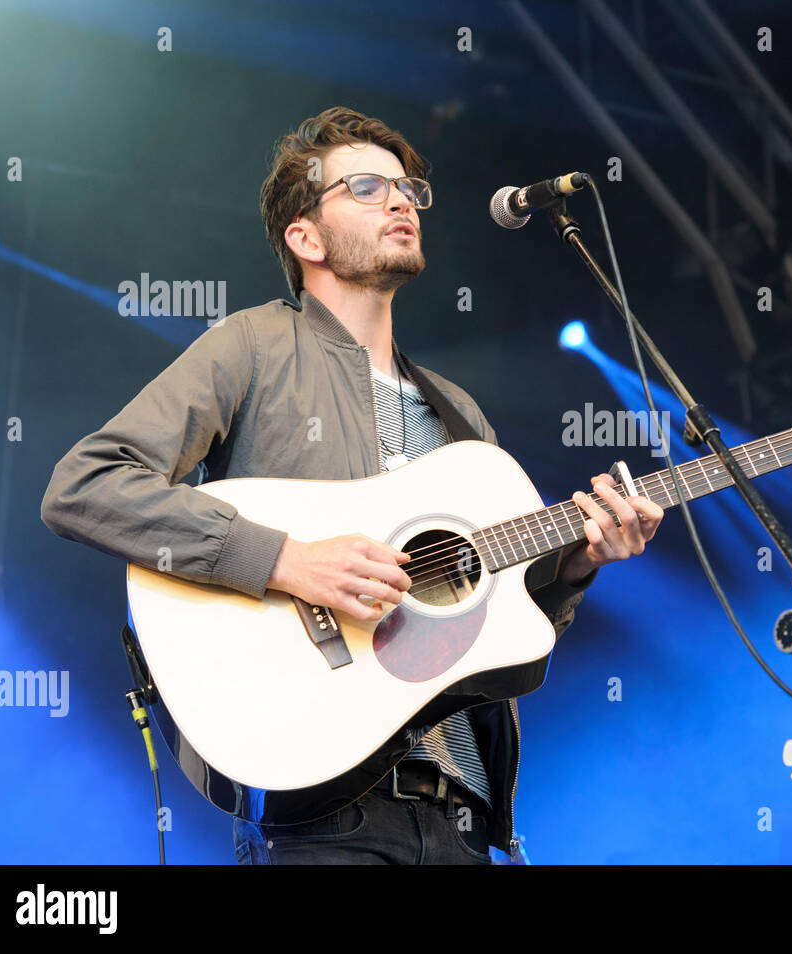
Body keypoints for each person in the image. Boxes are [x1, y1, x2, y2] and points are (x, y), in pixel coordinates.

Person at [40, 106, 663, 865]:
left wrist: (576, 566)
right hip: (322, 819)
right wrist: (283, 558)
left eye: (408, 190)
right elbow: (85, 485)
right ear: (305, 236)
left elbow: (505, 625)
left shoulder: (460, 415)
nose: (402, 202)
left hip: (462, 820)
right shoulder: (253, 345)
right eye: (367, 188)